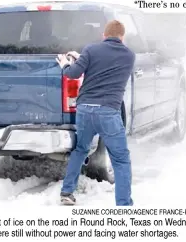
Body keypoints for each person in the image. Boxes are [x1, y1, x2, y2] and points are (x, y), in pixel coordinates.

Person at [56, 20, 135, 206]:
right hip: (108, 111)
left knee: (81, 149)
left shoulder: (91, 50)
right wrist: (84, 56)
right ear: (122, 37)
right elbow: (108, 65)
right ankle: (124, 204)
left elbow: (73, 73)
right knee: (121, 159)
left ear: (103, 36)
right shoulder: (129, 56)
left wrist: (66, 64)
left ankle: (67, 192)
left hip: (85, 110)